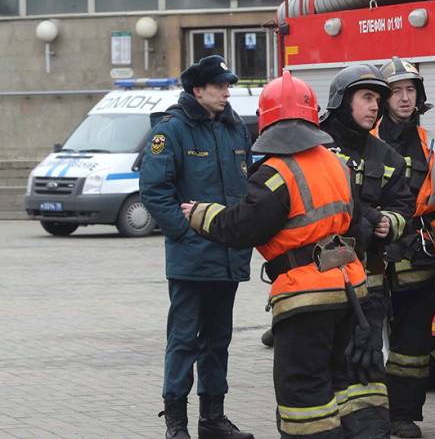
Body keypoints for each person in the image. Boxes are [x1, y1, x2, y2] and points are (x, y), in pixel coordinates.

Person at [179, 71, 377, 438]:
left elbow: (242, 227)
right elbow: (358, 226)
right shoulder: (338, 164)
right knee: (341, 384)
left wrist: (201, 214)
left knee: (304, 395)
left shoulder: (275, 173)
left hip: (304, 298)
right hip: (350, 291)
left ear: (267, 120)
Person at [139, 55, 254, 439]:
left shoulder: (234, 128)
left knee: (218, 340)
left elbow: (245, 187)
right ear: (197, 89)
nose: (226, 92)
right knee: (184, 340)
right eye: (219, 86)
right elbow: (155, 190)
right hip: (191, 259)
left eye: (227, 86)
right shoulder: (172, 130)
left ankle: (213, 419)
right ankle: (176, 423)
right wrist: (186, 234)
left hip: (228, 257)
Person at [374, 57, 435, 438]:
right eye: (396, 91)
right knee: (365, 345)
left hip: (420, 262)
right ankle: (369, 413)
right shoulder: (365, 142)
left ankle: (403, 415)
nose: (404, 98)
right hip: (372, 261)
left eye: (410, 90)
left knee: (412, 348)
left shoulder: (433, 147)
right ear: (383, 98)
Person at [321, 63, 416, 439]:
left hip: (369, 282)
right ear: (343, 101)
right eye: (366, 97)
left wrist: (389, 222)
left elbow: (404, 207)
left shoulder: (386, 156)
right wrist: (362, 216)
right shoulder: (315, 147)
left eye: (377, 99)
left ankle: (368, 430)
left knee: (366, 362)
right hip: (321, 279)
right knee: (326, 361)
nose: (375, 106)